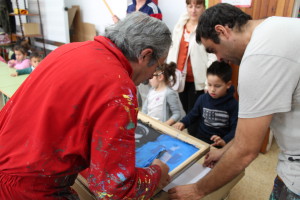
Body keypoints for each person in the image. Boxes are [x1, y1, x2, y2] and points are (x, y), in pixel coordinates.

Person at [0, 12, 172, 200]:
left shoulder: (71, 49)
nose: (151, 76)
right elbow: (114, 190)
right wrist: (156, 174)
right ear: (145, 55)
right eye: (157, 67)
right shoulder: (118, 87)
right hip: (26, 191)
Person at [168, 3, 300, 200]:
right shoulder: (278, 25)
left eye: (214, 50)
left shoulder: (259, 57)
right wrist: (223, 153)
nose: (219, 59)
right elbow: (251, 130)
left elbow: (246, 151)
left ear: (222, 31)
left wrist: (197, 190)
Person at [166, 0, 216, 136]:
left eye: (198, 6)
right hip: (180, 78)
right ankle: (195, 137)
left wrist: (208, 81)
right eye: (190, 6)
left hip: (198, 80)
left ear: (204, 7)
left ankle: (198, 141)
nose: (193, 10)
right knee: (187, 111)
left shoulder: (207, 27)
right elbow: (173, 48)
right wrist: (168, 72)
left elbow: (212, 55)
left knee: (194, 116)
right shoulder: (181, 24)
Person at [173, 61, 238, 147]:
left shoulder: (233, 105)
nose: (212, 89)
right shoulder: (202, 98)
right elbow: (192, 115)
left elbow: (235, 129)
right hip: (201, 140)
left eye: (217, 86)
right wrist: (183, 123)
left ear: (228, 84)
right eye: (209, 84)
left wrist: (224, 140)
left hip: (220, 144)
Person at [142, 62, 182, 126]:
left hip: (161, 129)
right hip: (150, 125)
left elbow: (177, 113)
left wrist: (165, 125)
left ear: (160, 77)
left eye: (151, 76)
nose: (149, 79)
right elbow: (144, 109)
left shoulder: (169, 93)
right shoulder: (151, 91)